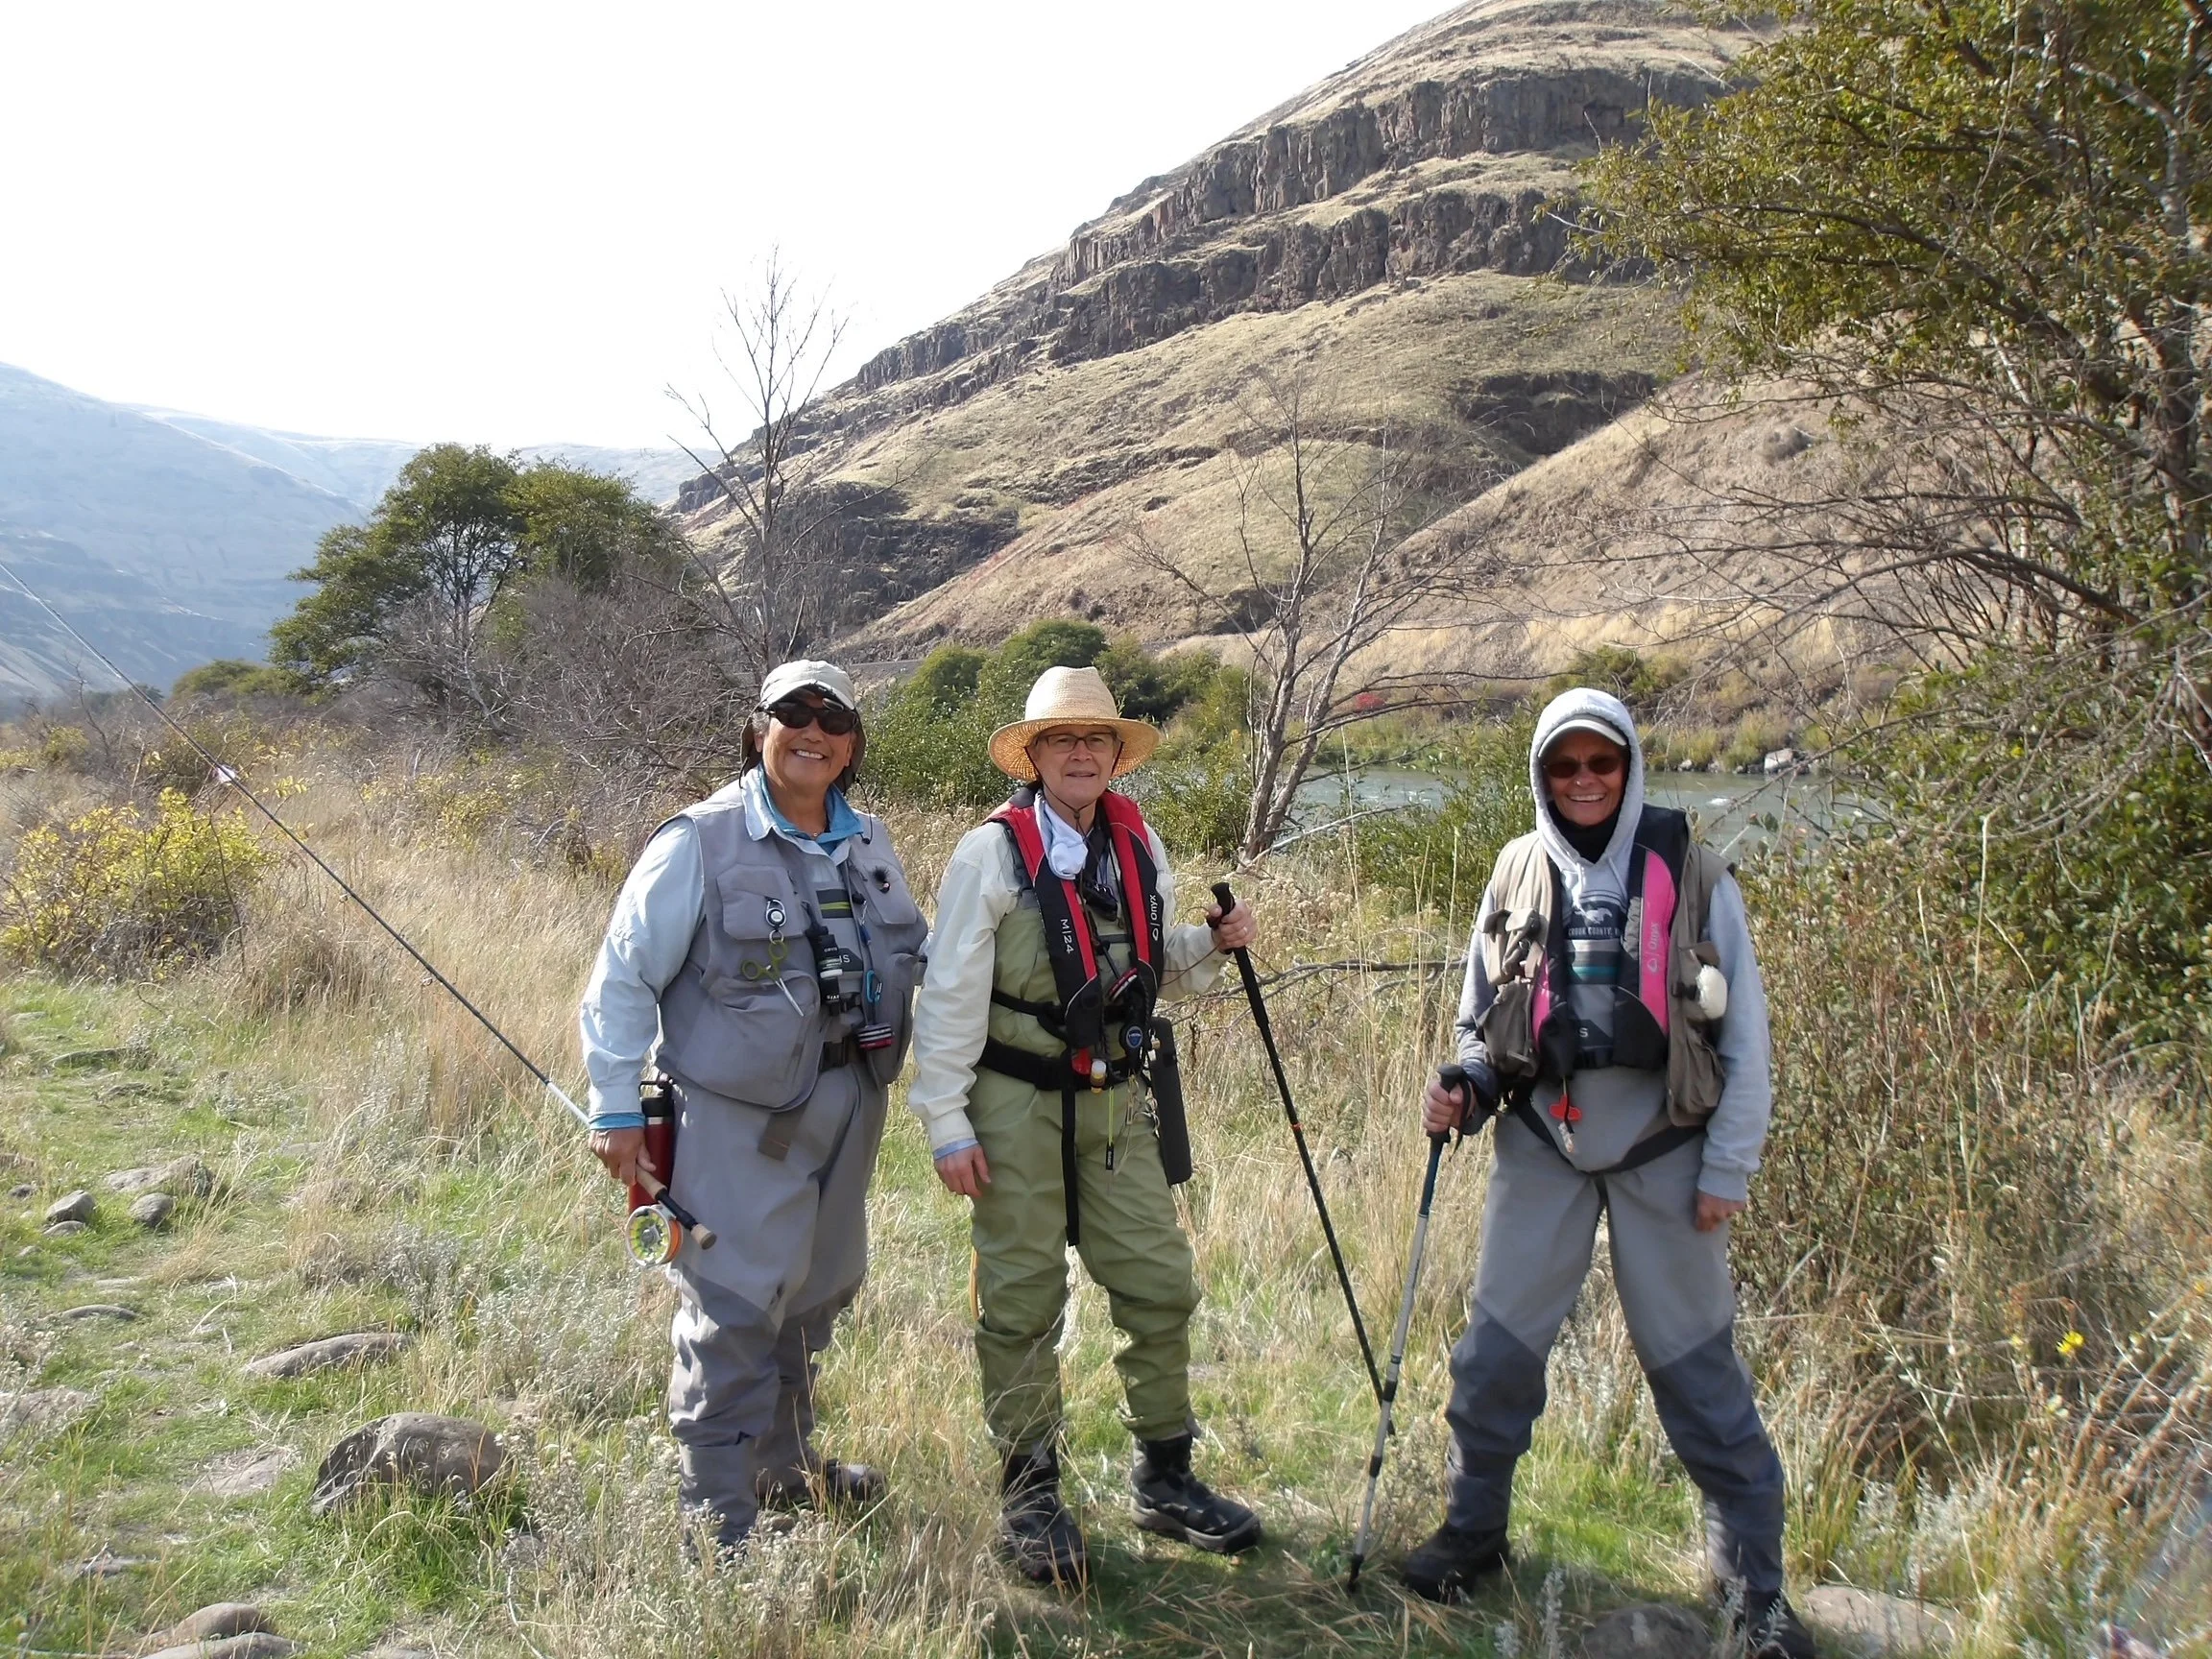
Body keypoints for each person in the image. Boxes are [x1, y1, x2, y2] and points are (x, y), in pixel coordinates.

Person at [1402, 686, 1815, 1659]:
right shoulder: (1514, 869)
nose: (1584, 781)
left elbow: (1745, 1042)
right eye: (1564, 766)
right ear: (1543, 776)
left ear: (1629, 768)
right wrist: (1461, 1084)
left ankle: (1754, 1588)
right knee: (1494, 1357)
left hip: (1667, 1151)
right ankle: (1473, 1533)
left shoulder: (1701, 875)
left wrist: (1730, 1167)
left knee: (1698, 1370)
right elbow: (1478, 1020)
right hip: (1543, 1139)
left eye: (1602, 763)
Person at [906, 664, 1262, 1586]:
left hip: (1115, 1105)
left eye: (1095, 739)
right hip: (1012, 1104)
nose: (1079, 753)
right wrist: (946, 1119)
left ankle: (1166, 1476)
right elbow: (948, 995)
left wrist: (1210, 948)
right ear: (1032, 755)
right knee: (1022, 1299)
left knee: (1159, 1281)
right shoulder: (988, 854)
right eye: (1060, 740)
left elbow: (1152, 968)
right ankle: (1030, 1492)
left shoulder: (1139, 846)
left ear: (1115, 754)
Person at [577, 659, 928, 1557]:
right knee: (733, 1307)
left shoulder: (870, 842)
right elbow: (623, 977)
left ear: (852, 744)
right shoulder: (698, 840)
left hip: (852, 1105)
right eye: (791, 713)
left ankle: (781, 1467)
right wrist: (615, 1112)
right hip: (735, 1119)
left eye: (833, 717)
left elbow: (923, 962)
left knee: (816, 1295)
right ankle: (716, 1522)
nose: (812, 730)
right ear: (758, 728)